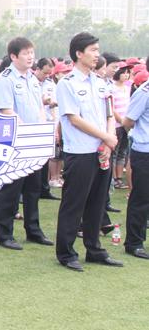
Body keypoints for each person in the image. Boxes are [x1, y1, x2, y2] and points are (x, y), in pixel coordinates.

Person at [55, 32, 123, 271]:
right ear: (78, 53)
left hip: (102, 150)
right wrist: (106, 137)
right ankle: (66, 253)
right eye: (93, 50)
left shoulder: (101, 83)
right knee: (74, 204)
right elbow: (74, 119)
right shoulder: (67, 84)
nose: (97, 55)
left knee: (97, 203)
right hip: (80, 152)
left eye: (97, 50)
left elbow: (109, 114)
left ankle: (94, 249)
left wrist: (108, 141)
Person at [0, 37, 52, 250]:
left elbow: (39, 108)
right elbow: (6, 110)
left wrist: (41, 131)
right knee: (11, 189)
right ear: (14, 56)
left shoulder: (32, 79)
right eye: (25, 53)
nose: (30, 57)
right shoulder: (4, 80)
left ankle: (33, 230)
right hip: (14, 143)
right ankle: (4, 234)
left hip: (33, 142)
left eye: (32, 52)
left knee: (33, 188)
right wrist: (27, 133)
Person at [123, 76, 149, 260]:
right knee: (141, 198)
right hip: (145, 151)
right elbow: (128, 121)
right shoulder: (144, 92)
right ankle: (134, 242)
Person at [34, 58, 60, 200]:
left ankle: (44, 189)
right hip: (35, 124)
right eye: (45, 73)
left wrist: (55, 127)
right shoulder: (31, 82)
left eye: (49, 73)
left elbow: (55, 104)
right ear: (38, 69)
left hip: (49, 122)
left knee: (46, 158)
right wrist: (42, 102)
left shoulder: (50, 84)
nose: (47, 76)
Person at [111, 63, 132, 189]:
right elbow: (111, 107)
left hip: (126, 124)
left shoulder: (127, 88)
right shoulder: (112, 88)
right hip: (116, 124)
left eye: (128, 73)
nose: (126, 75)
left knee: (123, 152)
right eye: (123, 73)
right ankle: (113, 178)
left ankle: (119, 178)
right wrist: (121, 120)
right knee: (115, 151)